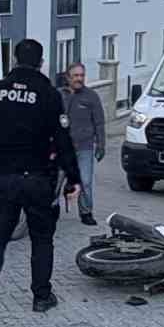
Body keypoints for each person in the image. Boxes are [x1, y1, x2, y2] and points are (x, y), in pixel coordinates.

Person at [0, 39, 81, 317]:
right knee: (42, 238)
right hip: (39, 179)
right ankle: (41, 296)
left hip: (4, 178)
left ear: (14, 61)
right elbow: (63, 141)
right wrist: (74, 180)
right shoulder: (50, 94)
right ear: (41, 62)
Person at [61, 64, 106, 227]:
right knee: (54, 181)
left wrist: (101, 145)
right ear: (68, 77)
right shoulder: (60, 95)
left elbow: (99, 122)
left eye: (82, 75)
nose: (79, 78)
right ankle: (49, 210)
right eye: (75, 76)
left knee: (85, 181)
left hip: (84, 147)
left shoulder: (91, 96)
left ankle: (86, 212)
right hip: (62, 149)